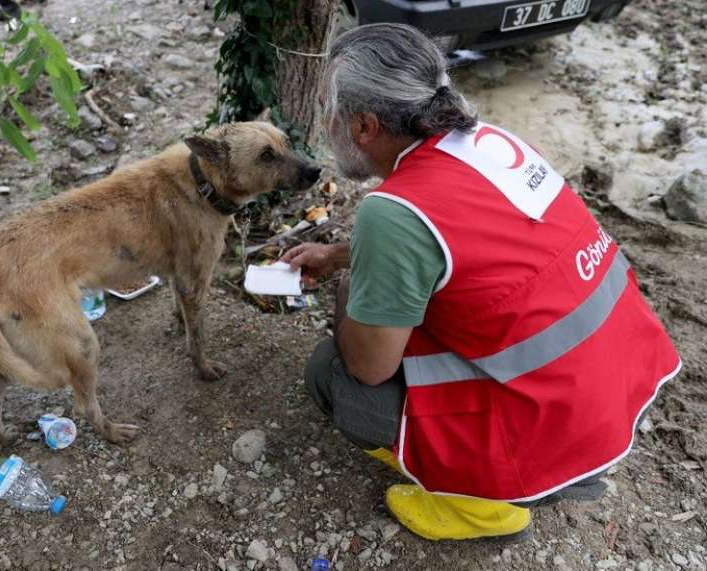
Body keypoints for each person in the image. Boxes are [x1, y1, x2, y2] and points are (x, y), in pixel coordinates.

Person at [281, 23, 681, 542]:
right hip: (621, 382)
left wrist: (350, 289)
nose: (325, 126)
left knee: (331, 376)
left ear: (363, 126)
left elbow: (370, 367)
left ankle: (482, 507)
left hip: (554, 431)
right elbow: (472, 250)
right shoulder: (488, 140)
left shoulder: (390, 212)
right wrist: (343, 255)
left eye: (328, 114)